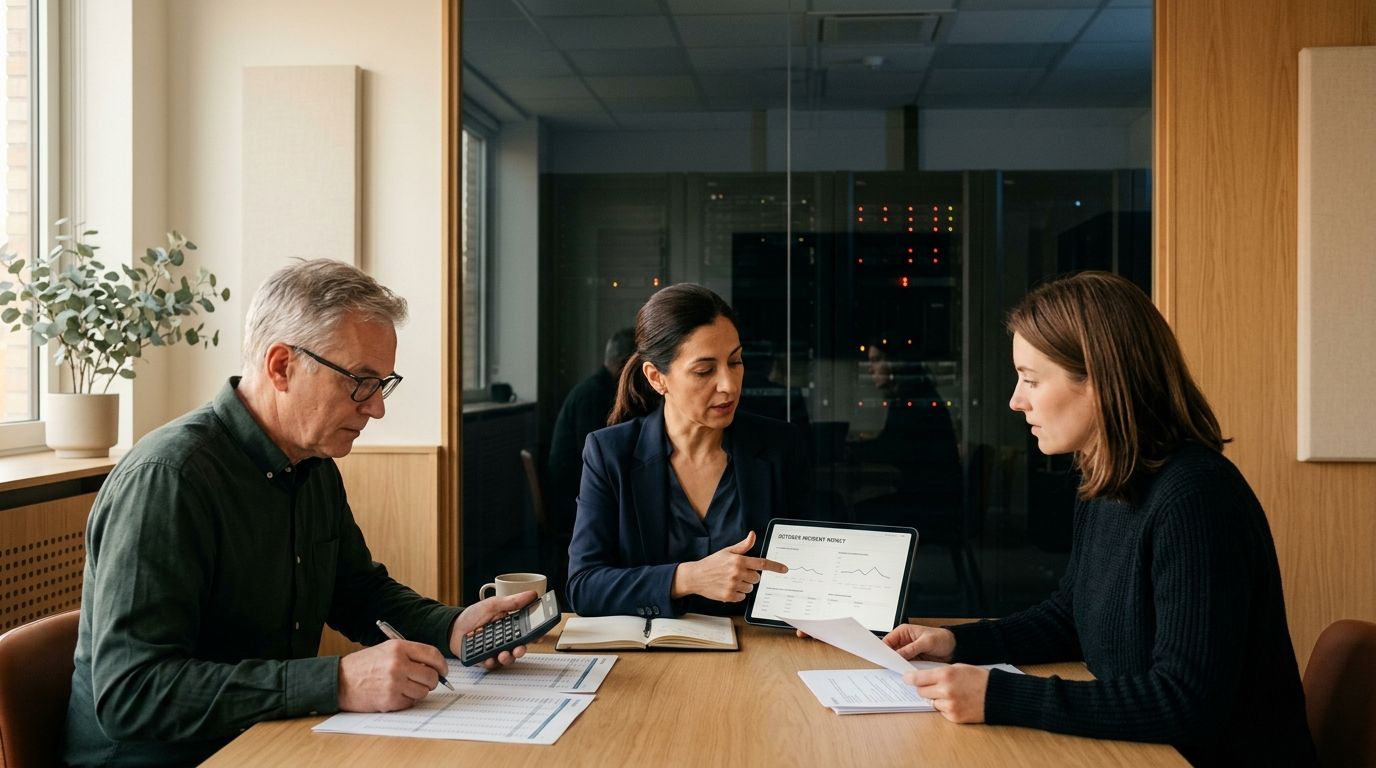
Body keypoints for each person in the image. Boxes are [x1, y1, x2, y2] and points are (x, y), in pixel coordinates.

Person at [65, 259, 536, 766]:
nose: (376, 408)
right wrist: (334, 681)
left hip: (268, 741)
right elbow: (132, 693)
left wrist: (451, 627)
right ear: (281, 366)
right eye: (360, 380)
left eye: (383, 384)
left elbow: (358, 592)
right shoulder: (168, 478)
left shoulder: (312, 464)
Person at [881, 272, 1316, 767]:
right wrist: (959, 642)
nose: (1015, 400)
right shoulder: (1109, 479)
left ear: (1099, 380)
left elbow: (1188, 703)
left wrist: (1000, 696)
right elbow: (1073, 615)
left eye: (1030, 379)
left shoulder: (1196, 498)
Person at [567, 283, 812, 618]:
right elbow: (584, 587)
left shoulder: (780, 446)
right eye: (704, 370)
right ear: (656, 378)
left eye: (735, 361)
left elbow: (812, 572)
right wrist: (687, 577)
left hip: (759, 651)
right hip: (650, 658)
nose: (729, 384)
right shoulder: (610, 453)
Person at [548, 327, 636, 533]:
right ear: (626, 363)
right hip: (572, 499)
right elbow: (596, 458)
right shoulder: (593, 395)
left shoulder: (603, 389)